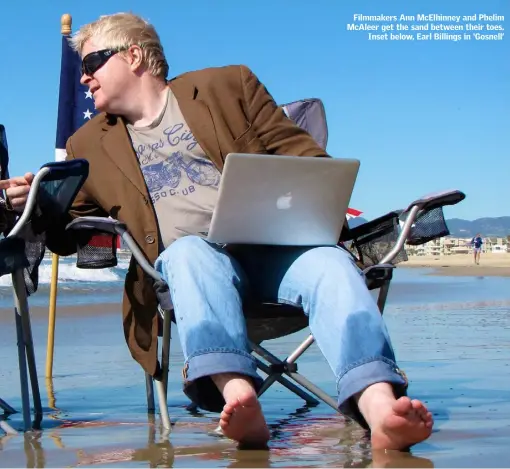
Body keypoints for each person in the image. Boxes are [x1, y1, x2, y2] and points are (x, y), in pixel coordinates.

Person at [0, 12, 433, 450]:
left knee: (331, 263)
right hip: (191, 271)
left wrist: (298, 195)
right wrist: (37, 199)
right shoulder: (88, 143)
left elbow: (307, 159)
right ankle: (239, 396)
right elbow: (67, 232)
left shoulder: (227, 87)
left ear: (134, 56)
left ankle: (382, 411)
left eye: (92, 64)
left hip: (277, 253)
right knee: (189, 253)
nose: (83, 80)